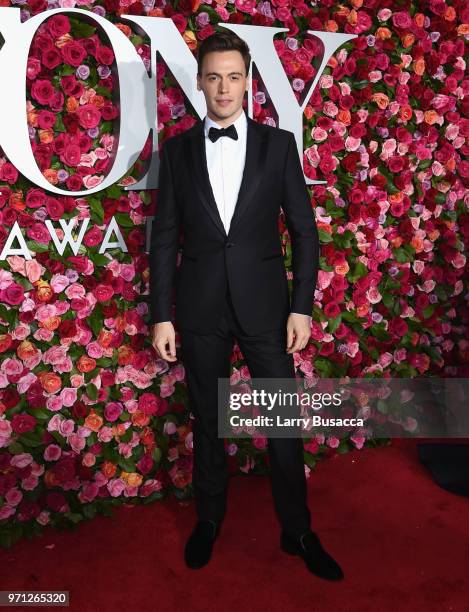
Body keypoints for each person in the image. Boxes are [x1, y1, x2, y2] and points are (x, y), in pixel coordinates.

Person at [149, 30, 343, 581]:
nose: (224, 87)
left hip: (266, 308)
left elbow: (304, 233)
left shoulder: (278, 146)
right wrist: (161, 313)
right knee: (209, 421)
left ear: (248, 80)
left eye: (234, 76)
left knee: (282, 422)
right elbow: (165, 237)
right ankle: (209, 520)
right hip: (200, 308)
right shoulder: (179, 151)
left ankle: (298, 529)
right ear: (200, 82)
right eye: (214, 77)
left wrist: (301, 307)